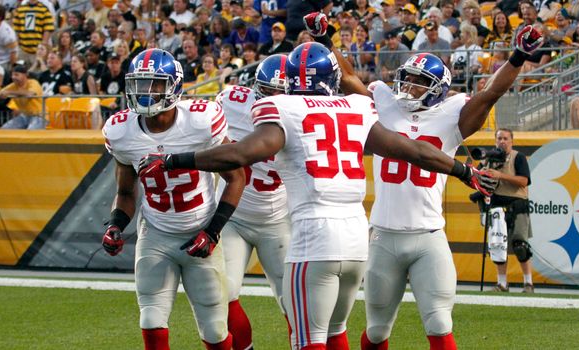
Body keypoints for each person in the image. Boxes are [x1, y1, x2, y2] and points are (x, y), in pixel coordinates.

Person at [138, 42, 496, 350]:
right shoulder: (356, 108)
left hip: (313, 237)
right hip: (356, 240)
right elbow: (413, 151)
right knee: (338, 331)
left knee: (310, 339)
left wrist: (172, 159)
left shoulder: (285, 108)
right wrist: (465, 171)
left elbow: (239, 155)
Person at [300, 12, 543, 350]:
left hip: (429, 236)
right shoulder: (383, 102)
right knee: (376, 332)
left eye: (417, 81)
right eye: (407, 77)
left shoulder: (452, 115)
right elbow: (348, 77)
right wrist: (326, 38)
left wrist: (517, 56)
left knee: (441, 323)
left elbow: (489, 93)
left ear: (437, 89)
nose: (407, 86)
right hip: (384, 236)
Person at [101, 48, 245, 350]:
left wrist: (212, 231)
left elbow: (237, 176)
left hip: (201, 229)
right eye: (139, 84)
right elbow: (126, 192)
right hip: (155, 234)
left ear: (174, 87)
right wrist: (116, 225)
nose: (144, 92)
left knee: (215, 331)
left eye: (154, 84)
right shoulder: (121, 130)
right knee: (151, 319)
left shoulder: (200, 121)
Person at [213, 53, 291, 350]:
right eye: (267, 90)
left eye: (280, 92)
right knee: (223, 295)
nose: (272, 98)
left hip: (278, 220)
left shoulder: (302, 115)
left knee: (295, 304)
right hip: (235, 216)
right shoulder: (230, 100)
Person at [483, 128, 535, 293]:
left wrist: (500, 175)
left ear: (511, 141)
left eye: (505, 138)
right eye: (499, 138)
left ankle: (528, 283)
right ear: (495, 141)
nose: (502, 141)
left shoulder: (518, 157)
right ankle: (502, 283)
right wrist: (481, 175)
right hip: (497, 205)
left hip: (517, 204)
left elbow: (524, 181)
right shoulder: (489, 159)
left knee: (520, 244)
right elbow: (478, 177)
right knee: (498, 245)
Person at [0, 64, 45, 129]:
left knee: (30, 134)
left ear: (25, 75)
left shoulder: (33, 82)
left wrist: (9, 92)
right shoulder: (13, 85)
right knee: (4, 129)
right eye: (12, 75)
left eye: (16, 75)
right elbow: (0, 92)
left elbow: (30, 94)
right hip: (24, 116)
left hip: (39, 116)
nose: (13, 77)